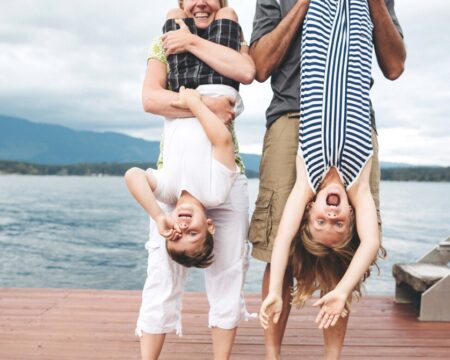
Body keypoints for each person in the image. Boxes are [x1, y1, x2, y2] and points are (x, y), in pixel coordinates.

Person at [248, 0, 405, 358]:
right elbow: (258, 66)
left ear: (308, 209)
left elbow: (395, 66)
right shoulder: (356, 187)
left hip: (314, 118)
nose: (331, 215)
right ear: (349, 215)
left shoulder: (309, 182)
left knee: (309, 248)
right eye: (337, 221)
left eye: (321, 219)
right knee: (300, 253)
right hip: (290, 112)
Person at [132, 1, 255, 359]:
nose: (201, 2)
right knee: (162, 274)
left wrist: (189, 44)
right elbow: (150, 99)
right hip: (178, 181)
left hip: (225, 179)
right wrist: (205, 105)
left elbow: (246, 72)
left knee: (229, 273)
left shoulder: (232, 31)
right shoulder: (164, 37)